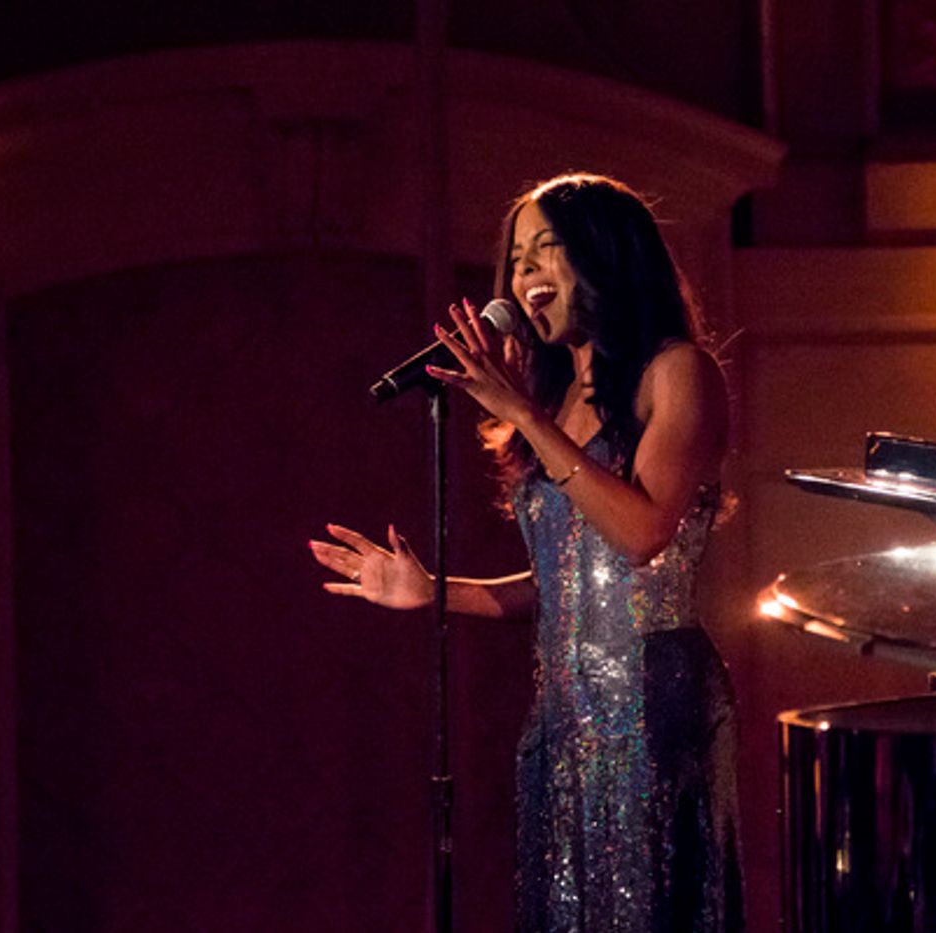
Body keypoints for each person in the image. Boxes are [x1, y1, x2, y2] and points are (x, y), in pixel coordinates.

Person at [309, 173, 743, 932]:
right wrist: (431, 589)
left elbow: (642, 536)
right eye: (515, 258)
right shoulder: (557, 401)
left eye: (546, 249)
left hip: (652, 704)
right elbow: (566, 580)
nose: (524, 273)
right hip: (565, 715)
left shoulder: (677, 372)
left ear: (606, 255)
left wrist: (520, 413)